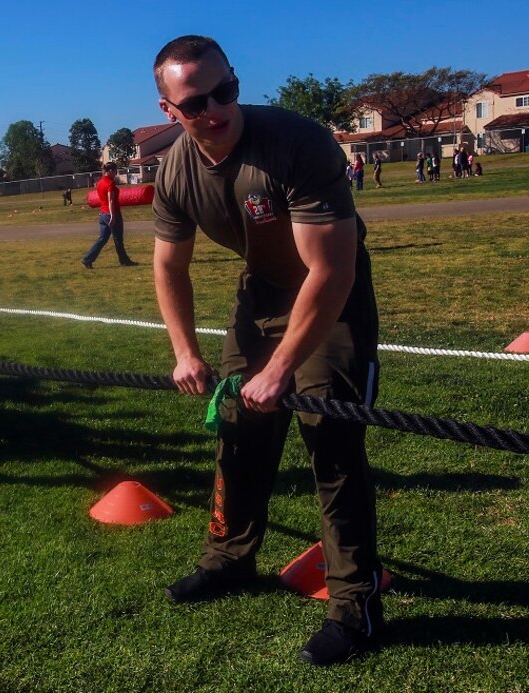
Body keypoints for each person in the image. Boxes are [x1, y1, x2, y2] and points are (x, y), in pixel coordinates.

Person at [150, 35, 383, 666]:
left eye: (225, 90)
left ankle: (355, 607)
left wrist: (281, 368)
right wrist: (184, 352)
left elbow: (330, 272)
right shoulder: (173, 168)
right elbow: (169, 268)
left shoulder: (297, 143)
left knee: (330, 440)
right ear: (171, 111)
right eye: (195, 102)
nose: (216, 108)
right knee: (238, 430)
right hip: (260, 296)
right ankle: (229, 562)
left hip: (332, 296)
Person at [80, 162, 139, 269]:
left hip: (102, 214)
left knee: (102, 239)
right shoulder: (110, 184)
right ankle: (124, 260)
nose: (116, 173)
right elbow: (110, 200)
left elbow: (102, 199)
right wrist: (113, 216)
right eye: (116, 171)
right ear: (111, 170)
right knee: (118, 239)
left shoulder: (100, 182)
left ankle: (87, 259)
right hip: (111, 213)